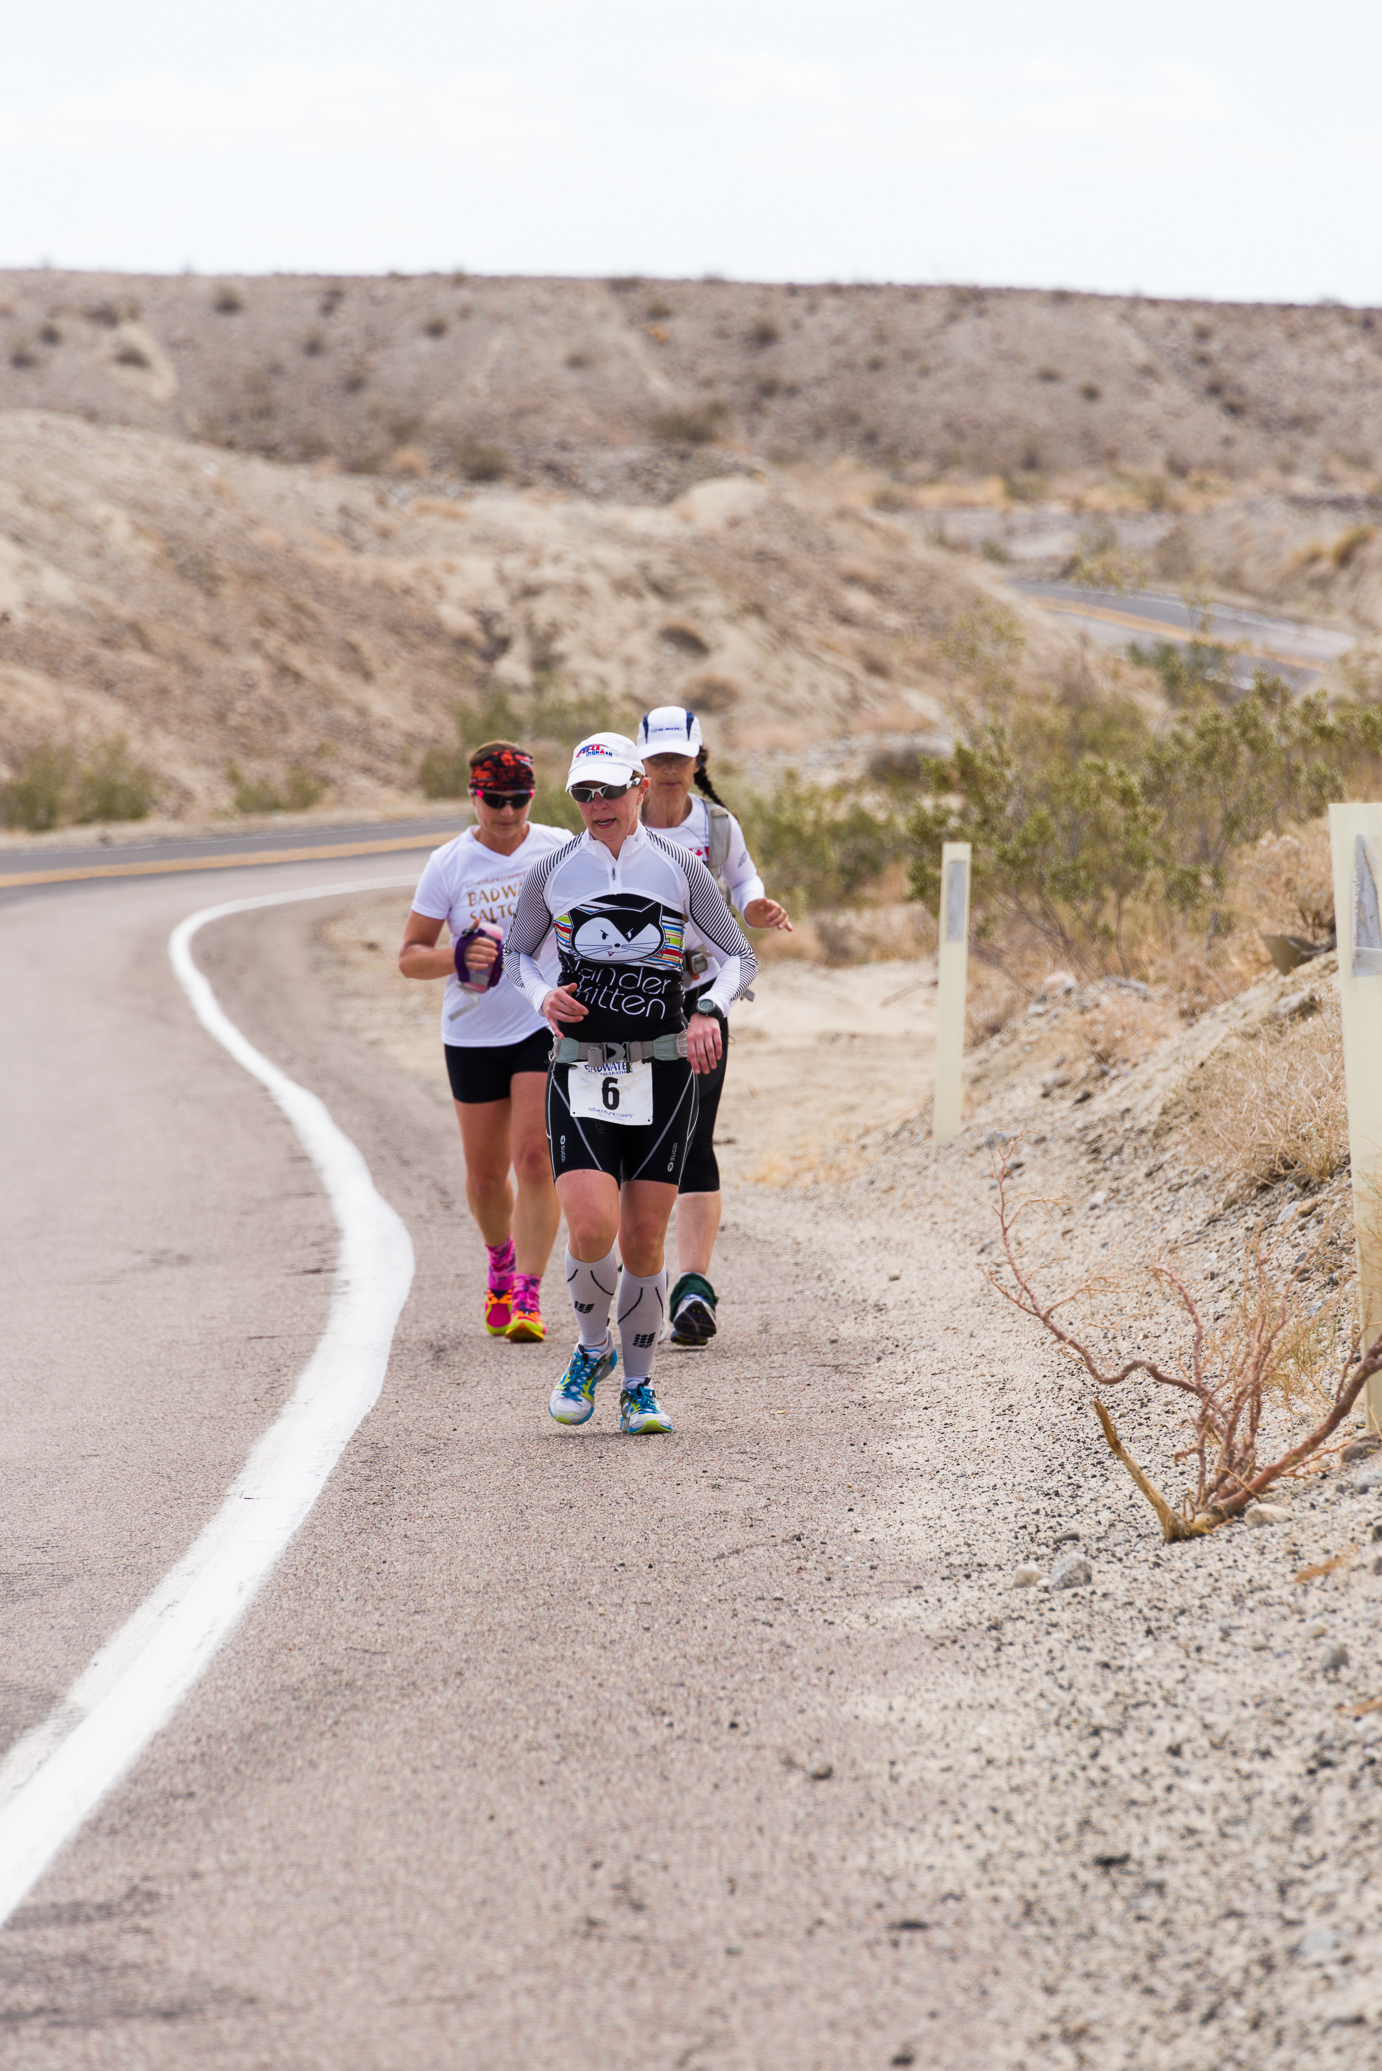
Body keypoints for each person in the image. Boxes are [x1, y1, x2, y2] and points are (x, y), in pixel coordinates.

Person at [504, 731, 758, 1434]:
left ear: (641, 787)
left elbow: (739, 955)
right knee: (590, 1224)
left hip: (665, 1068)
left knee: (645, 1241)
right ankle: (592, 1351)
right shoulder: (553, 870)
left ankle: (639, 1388)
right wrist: (541, 999)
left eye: (611, 790)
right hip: (581, 1067)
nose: (598, 805)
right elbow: (518, 956)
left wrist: (709, 1006)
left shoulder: (680, 867)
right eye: (584, 793)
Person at [398, 741, 568, 1342]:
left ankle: (527, 1292)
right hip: (471, 1031)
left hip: (536, 1022)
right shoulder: (450, 863)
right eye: (494, 800)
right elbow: (409, 958)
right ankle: (499, 1259)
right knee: (487, 1176)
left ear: (531, 797)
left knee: (536, 1158)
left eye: (518, 799)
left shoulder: (558, 849)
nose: (507, 812)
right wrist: (457, 954)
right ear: (475, 797)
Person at [636, 706, 792, 1349]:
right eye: (660, 759)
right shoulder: (616, 819)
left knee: (695, 1135)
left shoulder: (717, 826)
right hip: (629, 1001)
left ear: (699, 760)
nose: (671, 770)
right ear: (641, 766)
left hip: (702, 997)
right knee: (637, 1141)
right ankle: (638, 1282)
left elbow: (744, 881)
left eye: (681, 758)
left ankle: (692, 1288)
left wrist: (754, 904)